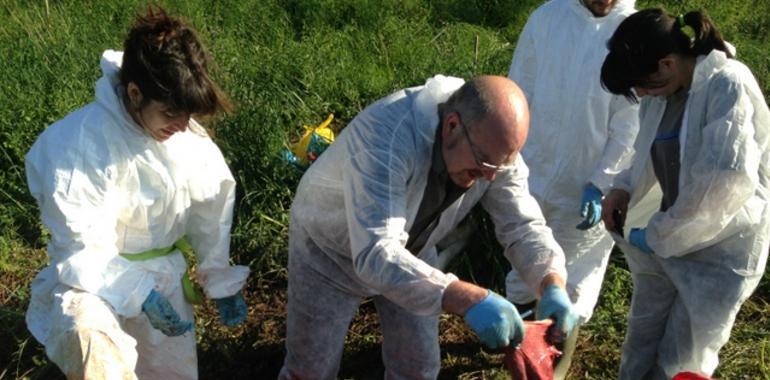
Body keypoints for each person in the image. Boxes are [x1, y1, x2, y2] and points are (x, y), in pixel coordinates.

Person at [278, 75, 578, 379]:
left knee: (418, 367)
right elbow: (377, 254)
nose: (489, 178)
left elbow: (522, 226)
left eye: (498, 168)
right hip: (328, 247)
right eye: (482, 164)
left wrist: (550, 283)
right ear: (451, 126)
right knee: (309, 370)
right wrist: (469, 298)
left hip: (413, 247)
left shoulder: (492, 148)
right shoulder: (385, 136)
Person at [24, 7, 249, 379]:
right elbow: (81, 248)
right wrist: (135, 291)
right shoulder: (78, 145)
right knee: (93, 345)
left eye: (187, 114)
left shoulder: (186, 137)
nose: (180, 125)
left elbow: (212, 209)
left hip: (163, 278)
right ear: (134, 92)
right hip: (94, 283)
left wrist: (220, 279)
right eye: (171, 113)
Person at [600, 8, 770, 378]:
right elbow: (646, 150)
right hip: (671, 237)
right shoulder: (664, 93)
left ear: (666, 63)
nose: (641, 94)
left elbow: (724, 183)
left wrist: (660, 233)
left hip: (721, 249)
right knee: (641, 339)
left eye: (643, 84)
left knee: (682, 357)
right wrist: (623, 188)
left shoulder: (727, 85)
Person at [505, 0, 639, 376]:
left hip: (588, 180)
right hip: (534, 167)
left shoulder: (631, 32)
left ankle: (556, 358)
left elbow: (630, 122)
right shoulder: (548, 18)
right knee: (524, 256)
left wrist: (603, 180)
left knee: (577, 274)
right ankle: (512, 337)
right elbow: (519, 89)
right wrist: (511, 153)